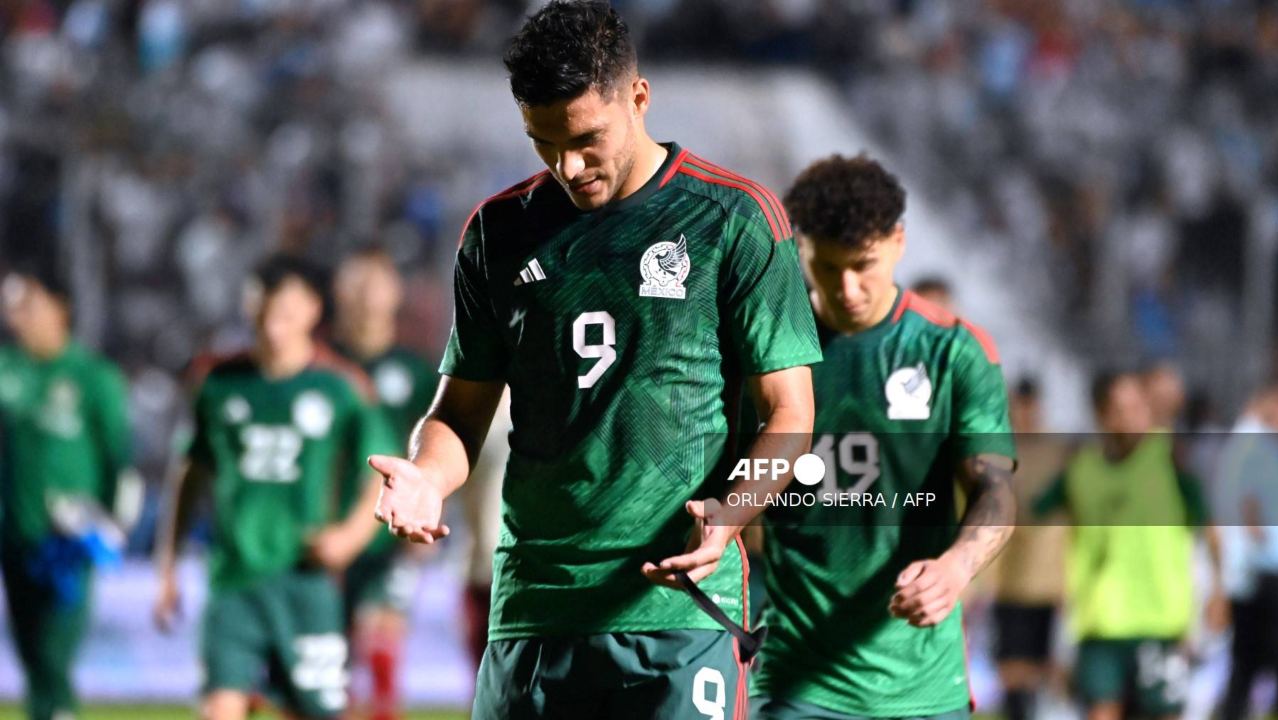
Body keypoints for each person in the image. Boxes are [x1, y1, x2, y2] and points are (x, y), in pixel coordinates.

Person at [369, 2, 822, 718]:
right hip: (535, 612)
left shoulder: (731, 219)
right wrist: (428, 476)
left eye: (585, 139)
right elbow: (459, 412)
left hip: (677, 610)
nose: (567, 166)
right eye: (542, 143)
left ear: (638, 98)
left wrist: (732, 514)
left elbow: (791, 415)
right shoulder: (499, 233)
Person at [749, 154, 1016, 720]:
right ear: (801, 249)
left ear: (898, 242)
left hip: (921, 687)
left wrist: (956, 567)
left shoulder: (955, 351)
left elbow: (994, 490)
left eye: (863, 265)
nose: (846, 288)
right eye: (827, 266)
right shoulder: (765, 350)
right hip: (797, 682)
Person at [152, 254, 395, 720]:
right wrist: (168, 567)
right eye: (262, 313)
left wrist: (350, 536)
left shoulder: (341, 387)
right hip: (233, 580)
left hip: (305, 581)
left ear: (311, 311)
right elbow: (189, 475)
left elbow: (383, 470)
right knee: (220, 708)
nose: (272, 328)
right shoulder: (218, 384)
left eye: (284, 314)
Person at [1035, 370, 1226, 720]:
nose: (1134, 417)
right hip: (1100, 620)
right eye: (1122, 408)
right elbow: (1036, 516)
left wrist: (1217, 590)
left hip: (1161, 621)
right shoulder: (1081, 469)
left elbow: (1209, 527)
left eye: (1138, 407)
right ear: (1101, 415)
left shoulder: (1170, 458)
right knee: (1101, 712)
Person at [0, 260, 139, 720]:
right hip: (14, 538)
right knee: (33, 660)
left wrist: (110, 525)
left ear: (61, 308)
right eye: (12, 305)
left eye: (28, 304)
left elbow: (120, 460)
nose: (16, 315)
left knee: (54, 658)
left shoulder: (93, 377)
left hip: (69, 544)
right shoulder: (6, 370)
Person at [331, 247, 440, 720]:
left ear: (395, 293)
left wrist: (432, 513)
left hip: (393, 532)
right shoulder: (322, 366)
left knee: (381, 642)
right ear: (339, 292)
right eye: (357, 282)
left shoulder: (417, 372)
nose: (367, 295)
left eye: (377, 282)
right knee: (330, 661)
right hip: (330, 531)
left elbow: (439, 448)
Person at [989, 378, 1068, 720]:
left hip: (1051, 579)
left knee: (1044, 666)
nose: (1024, 413)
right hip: (1011, 580)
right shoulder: (999, 452)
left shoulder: (1058, 453)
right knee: (1012, 667)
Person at [1215, 383, 1278, 720]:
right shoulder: (1255, 448)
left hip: (1260, 577)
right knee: (1247, 664)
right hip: (1261, 578)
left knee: (1247, 666)